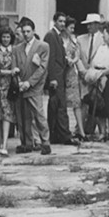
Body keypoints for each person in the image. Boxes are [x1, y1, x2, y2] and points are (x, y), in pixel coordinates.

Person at [12, 18, 51, 155]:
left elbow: (42, 68)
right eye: (24, 31)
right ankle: (26, 143)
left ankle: (45, 142)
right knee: (23, 117)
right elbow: (14, 67)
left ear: (34, 31)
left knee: (39, 116)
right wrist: (19, 82)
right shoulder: (17, 48)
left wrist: (29, 82)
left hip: (34, 87)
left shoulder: (43, 46)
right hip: (21, 86)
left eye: (29, 31)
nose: (26, 34)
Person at [45, 12, 79, 146]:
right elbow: (50, 58)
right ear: (54, 21)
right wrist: (52, 78)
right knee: (60, 106)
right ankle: (64, 136)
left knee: (57, 106)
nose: (63, 24)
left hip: (60, 75)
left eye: (64, 22)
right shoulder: (51, 36)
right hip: (56, 77)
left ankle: (56, 135)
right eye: (60, 21)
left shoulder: (57, 36)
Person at [91, 22, 109, 144]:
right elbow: (95, 62)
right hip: (100, 77)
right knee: (100, 104)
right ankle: (102, 132)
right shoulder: (101, 48)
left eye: (104, 33)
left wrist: (102, 72)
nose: (102, 36)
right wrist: (100, 73)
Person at [77, 14, 104, 137]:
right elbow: (76, 57)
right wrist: (83, 72)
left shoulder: (104, 39)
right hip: (83, 76)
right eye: (87, 24)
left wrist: (95, 74)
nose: (88, 27)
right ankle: (80, 130)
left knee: (98, 102)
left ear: (97, 25)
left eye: (91, 24)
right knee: (83, 102)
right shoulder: (80, 39)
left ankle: (103, 130)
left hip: (98, 76)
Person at [0, 27, 17, 155]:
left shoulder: (15, 50)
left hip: (10, 86)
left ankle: (5, 143)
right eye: (3, 37)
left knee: (7, 114)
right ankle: (0, 142)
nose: (6, 39)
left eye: (8, 37)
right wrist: (9, 72)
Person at [62, 17, 86, 141]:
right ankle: (65, 130)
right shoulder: (59, 39)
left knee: (76, 103)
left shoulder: (73, 40)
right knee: (63, 105)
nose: (72, 30)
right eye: (70, 28)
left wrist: (72, 60)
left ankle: (81, 131)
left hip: (71, 74)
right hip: (62, 74)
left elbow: (77, 55)